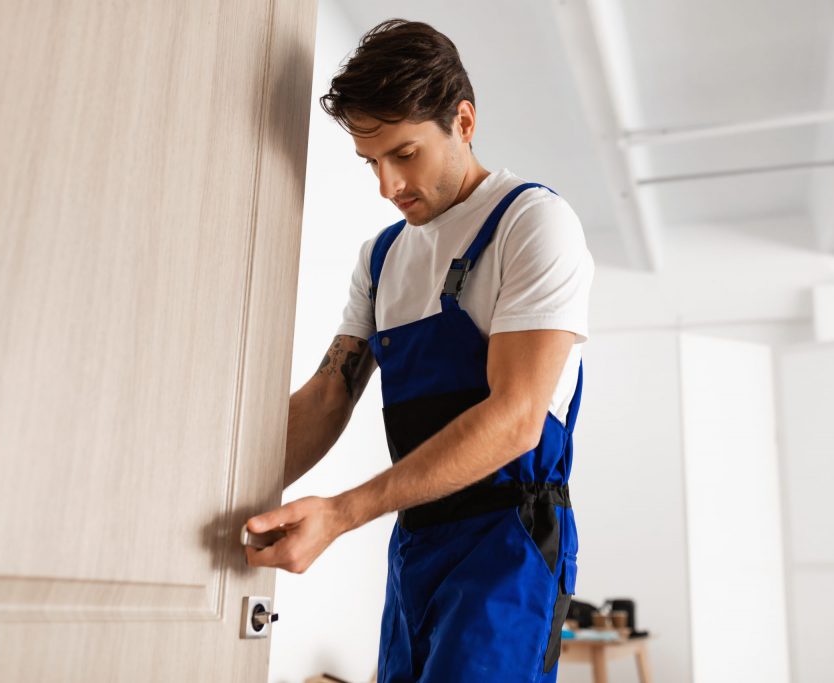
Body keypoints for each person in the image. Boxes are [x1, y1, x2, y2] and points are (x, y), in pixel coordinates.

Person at [245, 18, 594, 682]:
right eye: (370, 162)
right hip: (415, 542)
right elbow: (327, 395)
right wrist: (229, 492)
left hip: (508, 543)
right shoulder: (381, 258)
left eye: (404, 154)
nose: (387, 185)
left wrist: (341, 512)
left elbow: (516, 416)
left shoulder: (531, 224)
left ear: (463, 121)